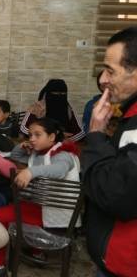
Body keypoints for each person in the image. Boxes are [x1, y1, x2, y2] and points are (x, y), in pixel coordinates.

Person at [0, 117, 81, 277]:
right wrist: (21, 147)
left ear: (52, 137)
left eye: (37, 135)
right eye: (30, 135)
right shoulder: (39, 153)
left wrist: (30, 172)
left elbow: (59, 170)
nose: (32, 139)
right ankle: (37, 251)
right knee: (11, 207)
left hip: (54, 213)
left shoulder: (63, 154)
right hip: (41, 207)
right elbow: (15, 156)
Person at [81, 27, 137, 277]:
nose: (103, 79)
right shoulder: (129, 116)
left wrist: (95, 134)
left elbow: (114, 195)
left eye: (110, 71)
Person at [20, 79, 85, 142]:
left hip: (62, 145)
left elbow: (81, 132)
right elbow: (24, 128)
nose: (59, 96)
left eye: (63, 93)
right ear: (48, 93)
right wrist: (53, 136)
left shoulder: (68, 109)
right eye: (55, 93)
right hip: (41, 145)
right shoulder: (37, 107)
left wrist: (66, 140)